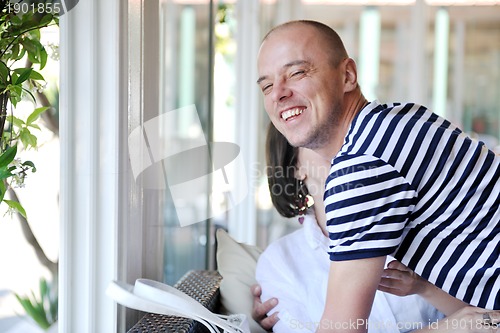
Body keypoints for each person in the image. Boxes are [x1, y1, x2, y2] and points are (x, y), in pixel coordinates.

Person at [256, 19, 499, 333]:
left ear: (347, 76)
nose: (278, 93)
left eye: (297, 72)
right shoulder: (403, 117)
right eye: (266, 86)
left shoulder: (361, 165)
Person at [254, 123, 497, 333]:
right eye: (322, 141)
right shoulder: (280, 262)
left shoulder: (420, 222)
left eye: (351, 136)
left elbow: (484, 320)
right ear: (295, 167)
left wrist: (424, 288)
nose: (349, 150)